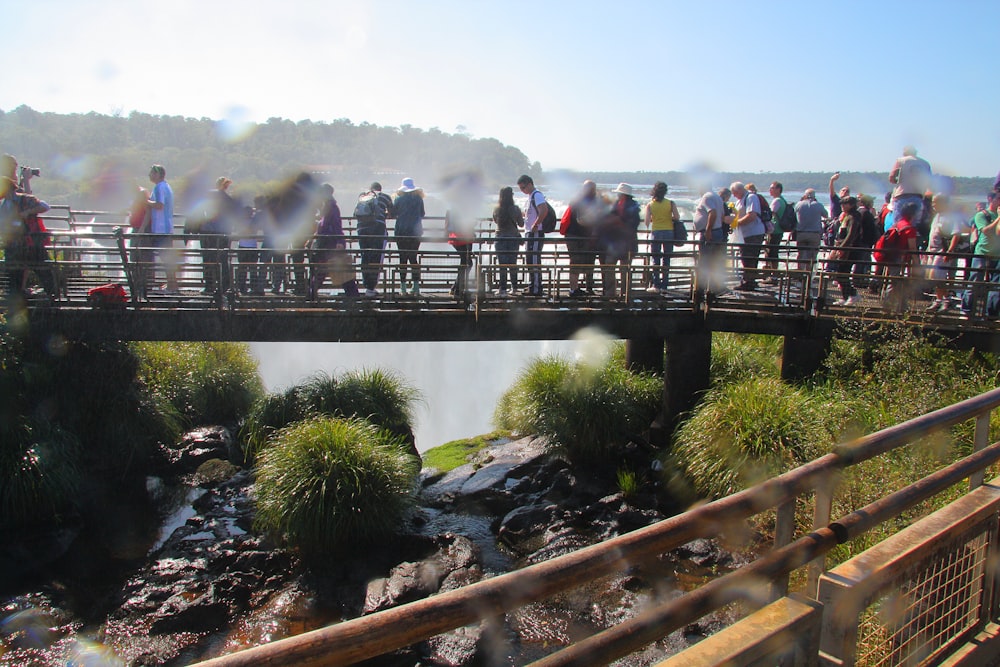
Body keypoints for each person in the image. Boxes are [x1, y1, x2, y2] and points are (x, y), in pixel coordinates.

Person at [0, 156, 54, 297]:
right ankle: (21, 295)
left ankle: (50, 293)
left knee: (38, 268)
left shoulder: (22, 199)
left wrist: (28, 212)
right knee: (19, 271)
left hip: (27, 242)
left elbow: (44, 206)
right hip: (19, 243)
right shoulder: (5, 204)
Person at [308, 183, 358, 300]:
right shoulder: (329, 206)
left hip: (330, 245)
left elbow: (334, 226)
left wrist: (339, 242)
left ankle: (311, 295)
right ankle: (353, 296)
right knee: (335, 270)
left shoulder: (330, 207)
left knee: (329, 270)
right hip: (329, 244)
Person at [925, 194, 969, 312]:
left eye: (935, 202)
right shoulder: (937, 216)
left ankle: (947, 300)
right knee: (932, 277)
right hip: (932, 251)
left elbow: (956, 234)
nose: (933, 205)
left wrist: (949, 251)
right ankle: (939, 299)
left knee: (938, 276)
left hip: (942, 251)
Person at [961, 192, 1000, 318]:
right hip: (982, 253)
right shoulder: (981, 215)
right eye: (999, 199)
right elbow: (986, 231)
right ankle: (966, 311)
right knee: (974, 282)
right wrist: (999, 218)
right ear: (990, 199)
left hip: (997, 255)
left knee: (995, 286)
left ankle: (990, 314)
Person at [598, 183, 640, 298]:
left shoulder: (631, 207)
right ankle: (620, 292)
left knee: (619, 268)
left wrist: (617, 222)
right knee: (615, 267)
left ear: (622, 194)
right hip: (619, 242)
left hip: (623, 243)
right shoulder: (628, 206)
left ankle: (619, 292)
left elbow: (632, 225)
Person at [561, 180, 602, 297]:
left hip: (585, 236)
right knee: (576, 261)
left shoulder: (591, 200)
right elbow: (581, 220)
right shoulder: (579, 201)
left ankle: (587, 287)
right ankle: (574, 289)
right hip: (575, 235)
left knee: (588, 261)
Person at [199, 176, 239, 295]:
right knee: (223, 259)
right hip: (223, 233)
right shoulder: (229, 200)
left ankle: (209, 286)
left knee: (208, 259)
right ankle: (224, 286)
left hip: (208, 232)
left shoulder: (208, 195)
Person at [356, 182, 395, 297]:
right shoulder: (385, 197)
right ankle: (371, 288)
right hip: (377, 229)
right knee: (376, 257)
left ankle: (367, 286)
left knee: (365, 256)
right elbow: (392, 213)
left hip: (361, 229)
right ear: (380, 189)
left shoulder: (362, 196)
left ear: (370, 189)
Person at [145, 164, 178, 293]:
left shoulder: (159, 187)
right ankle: (171, 283)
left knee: (166, 258)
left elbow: (159, 205)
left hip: (161, 228)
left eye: (152, 173)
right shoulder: (166, 186)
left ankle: (172, 286)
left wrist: (146, 201)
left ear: (158, 174)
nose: (149, 175)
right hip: (166, 227)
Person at [692, 186, 728, 300]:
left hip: (710, 233)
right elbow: (721, 216)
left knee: (704, 261)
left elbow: (713, 213)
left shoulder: (706, 197)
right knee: (713, 261)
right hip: (718, 231)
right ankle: (712, 288)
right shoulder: (717, 197)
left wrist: (708, 230)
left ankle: (701, 290)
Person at [517, 174, 550, 297]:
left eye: (523, 188)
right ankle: (533, 285)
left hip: (535, 233)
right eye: (520, 189)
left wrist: (536, 224)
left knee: (534, 260)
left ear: (530, 184)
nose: (522, 191)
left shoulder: (537, 195)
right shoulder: (530, 197)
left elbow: (544, 210)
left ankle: (537, 288)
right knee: (530, 260)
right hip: (530, 233)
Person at [729, 181, 765, 291]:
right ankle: (749, 280)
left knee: (750, 257)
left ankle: (749, 282)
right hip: (744, 234)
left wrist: (737, 223)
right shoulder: (740, 200)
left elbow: (752, 215)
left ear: (740, 190)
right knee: (746, 257)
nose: (733, 195)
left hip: (753, 232)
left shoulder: (751, 197)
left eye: (734, 192)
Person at [826, 196, 862, 306]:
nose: (842, 206)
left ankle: (853, 294)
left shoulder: (853, 217)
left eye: (844, 204)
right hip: (842, 247)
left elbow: (851, 235)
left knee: (842, 273)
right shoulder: (847, 216)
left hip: (848, 251)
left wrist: (842, 248)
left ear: (851, 205)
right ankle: (845, 296)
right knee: (840, 273)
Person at [645, 181, 680, 292]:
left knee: (655, 258)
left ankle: (656, 284)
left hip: (656, 232)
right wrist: (668, 218)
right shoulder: (670, 203)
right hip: (669, 231)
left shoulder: (650, 205)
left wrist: (654, 218)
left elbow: (646, 222)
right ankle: (665, 285)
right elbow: (677, 217)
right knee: (667, 258)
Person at [393, 177, 425, 295]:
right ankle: (415, 287)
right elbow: (422, 213)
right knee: (413, 258)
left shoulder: (399, 198)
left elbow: (394, 212)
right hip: (415, 232)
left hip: (401, 231)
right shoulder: (418, 199)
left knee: (403, 258)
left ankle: (403, 287)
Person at [491, 186, 523, 296]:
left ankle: (502, 289)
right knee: (513, 264)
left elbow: (495, 221)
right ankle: (514, 288)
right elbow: (521, 224)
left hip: (500, 238)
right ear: (512, 196)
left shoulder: (497, 209)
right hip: (513, 238)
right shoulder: (516, 209)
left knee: (502, 264)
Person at [889, 146, 932, 224]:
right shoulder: (925, 163)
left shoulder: (900, 161)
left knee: (899, 224)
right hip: (918, 197)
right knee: (914, 224)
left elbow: (892, 178)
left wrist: (897, 181)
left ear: (905, 152)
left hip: (902, 195)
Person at [794, 189, 827, 274]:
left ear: (804, 195)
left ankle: (800, 275)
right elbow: (826, 215)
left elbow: (794, 214)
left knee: (801, 255)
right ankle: (809, 275)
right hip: (814, 234)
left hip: (801, 233)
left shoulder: (799, 204)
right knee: (812, 256)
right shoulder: (818, 205)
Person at [445, 209, 474, 299]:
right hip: (465, 237)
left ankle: (456, 288)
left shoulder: (451, 208)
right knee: (467, 263)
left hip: (456, 237)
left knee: (465, 262)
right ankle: (458, 288)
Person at [764, 181, 790, 278]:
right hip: (779, 230)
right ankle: (773, 274)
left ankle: (773, 275)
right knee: (773, 252)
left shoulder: (777, 201)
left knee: (772, 253)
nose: (770, 190)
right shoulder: (782, 200)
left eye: (772, 188)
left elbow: (770, 214)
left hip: (774, 230)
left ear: (778, 189)